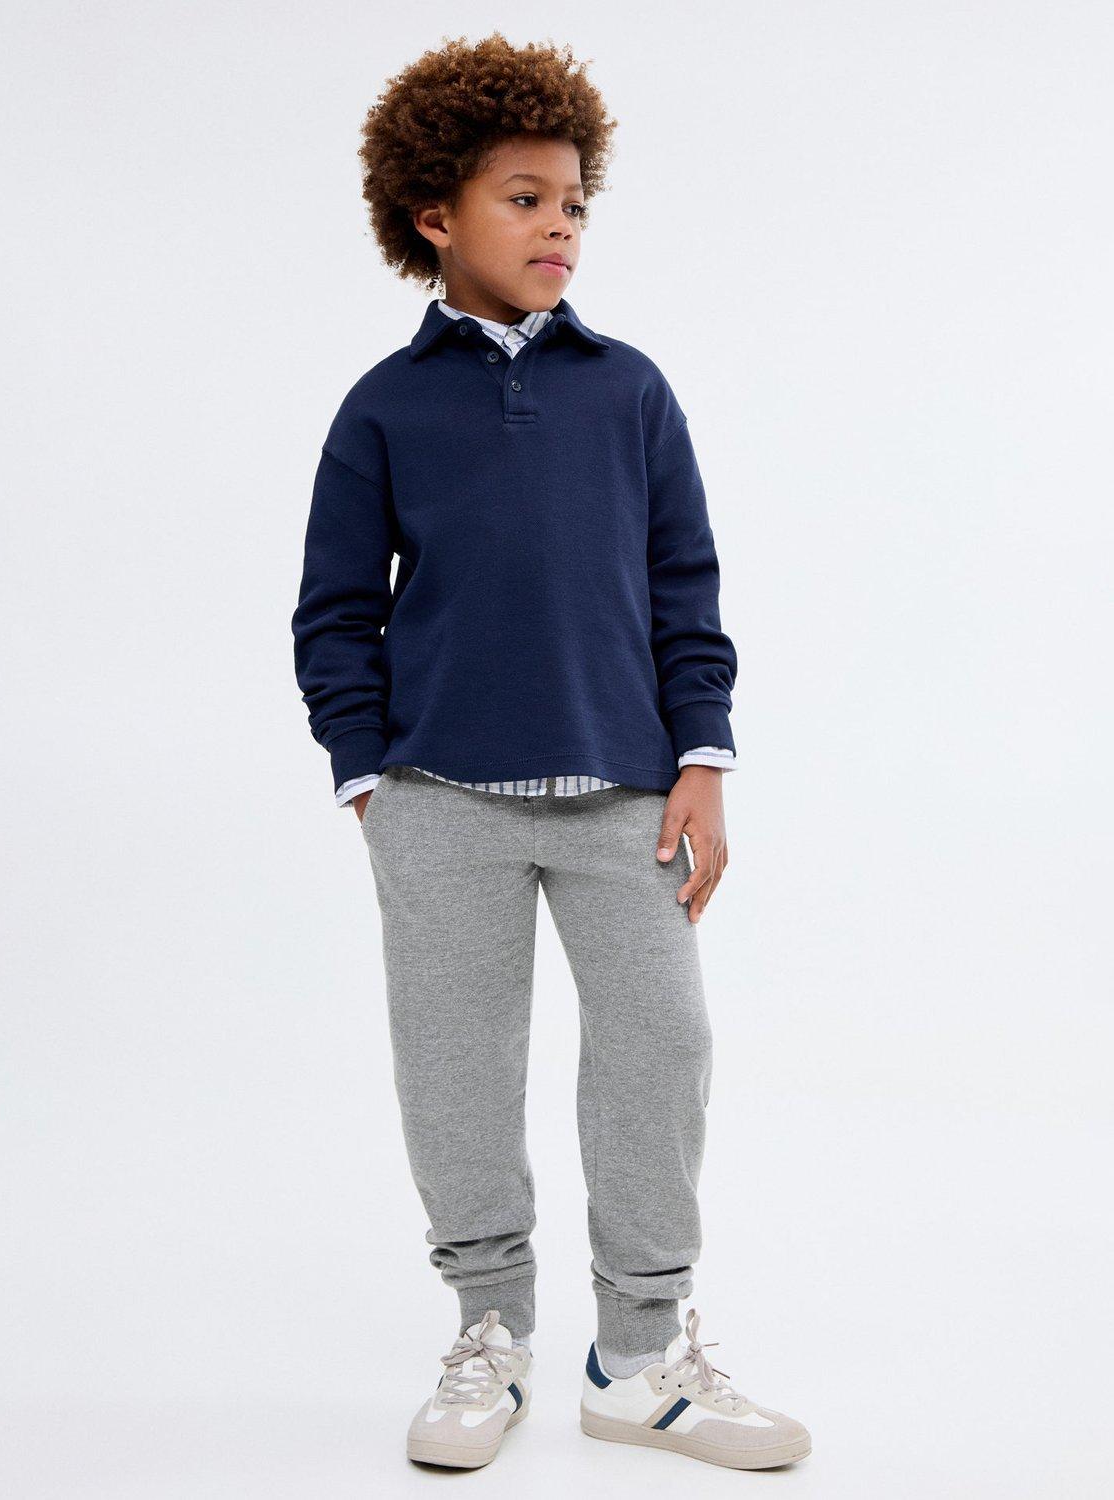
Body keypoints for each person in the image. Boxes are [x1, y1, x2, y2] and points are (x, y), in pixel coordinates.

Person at [291, 31, 810, 1473]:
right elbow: (334, 611)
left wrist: (701, 759)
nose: (559, 225)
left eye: (574, 201)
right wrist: (366, 777)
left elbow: (684, 589)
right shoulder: (384, 407)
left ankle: (636, 1358)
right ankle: (488, 1331)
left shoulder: (628, 391)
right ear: (432, 215)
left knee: (662, 1048)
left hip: (626, 794)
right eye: (522, 199)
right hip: (437, 799)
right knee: (455, 1069)